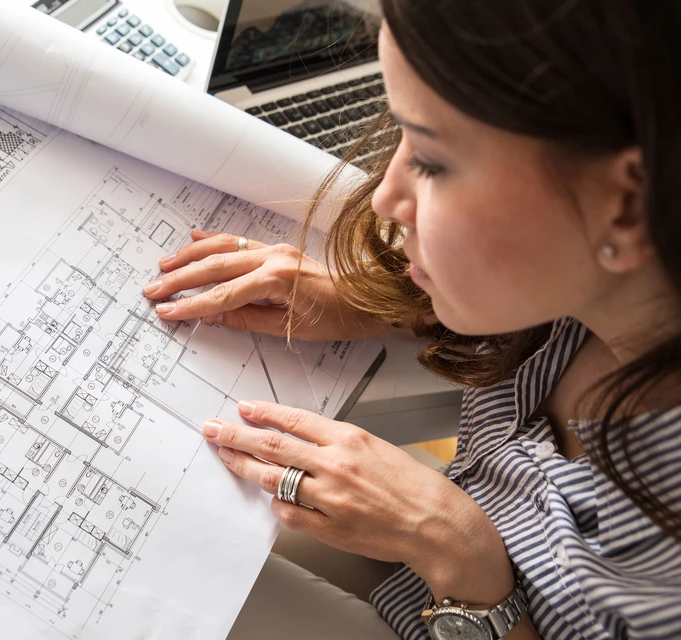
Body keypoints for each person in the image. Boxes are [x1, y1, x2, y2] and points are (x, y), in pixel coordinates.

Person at [142, 1, 681, 638]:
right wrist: (382, 302)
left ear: (623, 206)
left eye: (430, 159)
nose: (384, 198)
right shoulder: (601, 294)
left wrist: (455, 554)